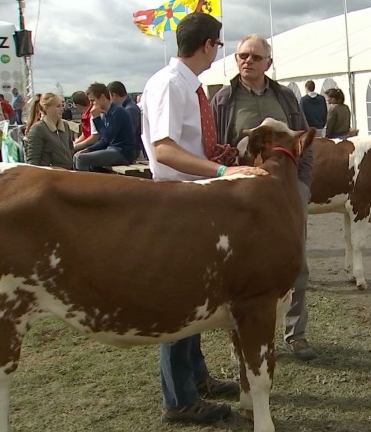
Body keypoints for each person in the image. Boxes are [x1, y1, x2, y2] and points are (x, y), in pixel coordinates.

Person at [141, 13, 262, 424]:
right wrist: (224, 172)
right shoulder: (171, 86)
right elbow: (165, 151)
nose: (219, 52)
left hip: (192, 199)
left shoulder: (185, 85)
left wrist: (226, 153)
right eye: (220, 45)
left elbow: (190, 145)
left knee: (195, 297)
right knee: (180, 301)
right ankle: (178, 399)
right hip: (177, 201)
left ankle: (195, 379)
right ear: (209, 45)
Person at [210, 33, 317, 361]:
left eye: (256, 57)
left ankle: (295, 334)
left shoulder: (285, 97)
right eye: (243, 55)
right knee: (237, 266)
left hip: (285, 194)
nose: (248, 61)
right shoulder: (223, 100)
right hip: (240, 196)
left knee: (294, 260)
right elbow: (213, 145)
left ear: (268, 63)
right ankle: (237, 340)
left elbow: (304, 140)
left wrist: (301, 185)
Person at [74, 82, 137, 171]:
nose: (92, 104)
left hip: (123, 153)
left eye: (93, 100)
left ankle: (83, 185)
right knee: (77, 156)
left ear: (102, 97)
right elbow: (104, 140)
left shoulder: (117, 111)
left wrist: (96, 118)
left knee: (81, 159)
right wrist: (88, 149)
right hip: (113, 149)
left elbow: (108, 137)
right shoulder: (107, 113)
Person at [24, 92, 74, 169]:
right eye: (58, 106)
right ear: (46, 108)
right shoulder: (38, 129)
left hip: (66, 173)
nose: (62, 109)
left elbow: (70, 148)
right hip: (48, 176)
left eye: (62, 106)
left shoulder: (65, 126)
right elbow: (33, 160)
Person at [108, 81, 143, 159]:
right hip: (123, 148)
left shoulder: (130, 110)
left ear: (113, 95)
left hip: (128, 151)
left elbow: (127, 134)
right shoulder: (127, 108)